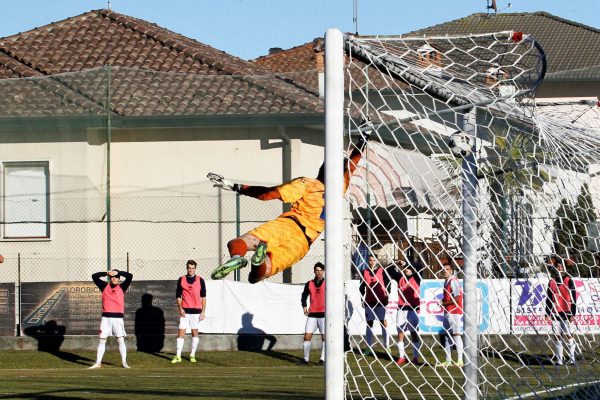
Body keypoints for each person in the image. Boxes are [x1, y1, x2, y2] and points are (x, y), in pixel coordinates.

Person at [207, 129, 370, 284]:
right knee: (260, 274)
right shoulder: (339, 189)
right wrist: (363, 140)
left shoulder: (307, 184)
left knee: (240, 241)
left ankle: (236, 257)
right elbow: (352, 164)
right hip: (303, 241)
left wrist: (236, 186)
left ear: (321, 170)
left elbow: (268, 194)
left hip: (288, 224)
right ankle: (260, 260)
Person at [89, 268, 133, 369]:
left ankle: (124, 363)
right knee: (102, 340)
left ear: (119, 279)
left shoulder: (122, 287)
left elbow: (130, 276)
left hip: (118, 318)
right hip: (106, 318)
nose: (114, 279)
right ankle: (98, 363)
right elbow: (94, 276)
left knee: (120, 340)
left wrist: (118, 273)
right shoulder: (104, 286)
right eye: (112, 277)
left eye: (116, 277)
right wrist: (106, 273)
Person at [171, 260, 207, 364]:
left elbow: (203, 297)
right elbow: (178, 296)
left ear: (195, 269)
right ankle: (178, 356)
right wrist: (180, 308)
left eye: (192, 268)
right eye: (189, 268)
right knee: (181, 332)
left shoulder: (200, 280)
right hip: (185, 311)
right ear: (187, 268)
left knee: (194, 332)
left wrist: (203, 311)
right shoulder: (181, 279)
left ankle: (192, 354)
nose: (190, 270)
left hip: (196, 311)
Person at [388, 260, 422, 365]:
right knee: (400, 333)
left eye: (409, 268)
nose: (407, 269)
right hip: (401, 309)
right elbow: (389, 269)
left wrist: (406, 263)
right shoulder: (400, 278)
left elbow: (420, 266)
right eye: (406, 268)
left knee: (414, 333)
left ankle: (415, 357)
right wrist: (396, 263)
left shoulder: (416, 277)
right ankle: (402, 357)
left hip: (413, 309)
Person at [545, 256, 577, 366]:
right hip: (555, 312)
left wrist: (573, 313)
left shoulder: (569, 280)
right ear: (555, 268)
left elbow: (574, 298)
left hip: (567, 312)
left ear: (564, 268)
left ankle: (572, 358)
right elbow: (548, 299)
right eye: (558, 266)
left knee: (569, 335)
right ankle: (559, 359)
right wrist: (547, 313)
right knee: (557, 336)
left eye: (562, 266)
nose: (560, 268)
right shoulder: (552, 282)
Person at [359, 254, 392, 355]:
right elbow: (361, 287)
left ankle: (387, 347)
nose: (372, 262)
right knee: (369, 324)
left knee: (383, 322)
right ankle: (369, 347)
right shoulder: (364, 272)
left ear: (377, 261)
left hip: (381, 301)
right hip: (369, 301)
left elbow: (388, 283)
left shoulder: (382, 271)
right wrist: (362, 299)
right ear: (367, 261)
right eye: (370, 260)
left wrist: (387, 294)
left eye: (374, 260)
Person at [299, 262, 326, 365]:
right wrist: (304, 308)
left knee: (324, 337)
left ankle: (322, 359)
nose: (318, 272)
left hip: (324, 314)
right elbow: (304, 296)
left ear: (323, 271)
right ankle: (305, 359)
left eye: (320, 270)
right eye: (317, 270)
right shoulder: (309, 283)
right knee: (307, 336)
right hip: (312, 314)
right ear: (314, 271)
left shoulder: (327, 283)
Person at [437, 262, 464, 367]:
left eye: (447, 269)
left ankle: (460, 360)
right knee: (447, 336)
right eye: (443, 269)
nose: (445, 271)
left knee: (456, 335)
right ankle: (448, 360)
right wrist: (442, 301)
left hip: (455, 312)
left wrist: (443, 303)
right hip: (448, 311)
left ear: (451, 271)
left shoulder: (453, 281)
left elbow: (456, 298)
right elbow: (449, 297)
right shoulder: (446, 281)